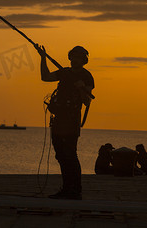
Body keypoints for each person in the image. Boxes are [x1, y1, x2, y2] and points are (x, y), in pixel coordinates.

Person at [35, 45, 94, 200]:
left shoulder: (87, 76)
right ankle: (67, 188)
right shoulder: (64, 72)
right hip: (59, 119)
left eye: (79, 58)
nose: (76, 60)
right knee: (60, 155)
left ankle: (75, 190)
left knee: (70, 155)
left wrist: (82, 88)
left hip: (72, 121)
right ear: (70, 57)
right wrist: (42, 58)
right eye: (74, 57)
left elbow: (87, 101)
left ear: (84, 60)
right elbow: (45, 77)